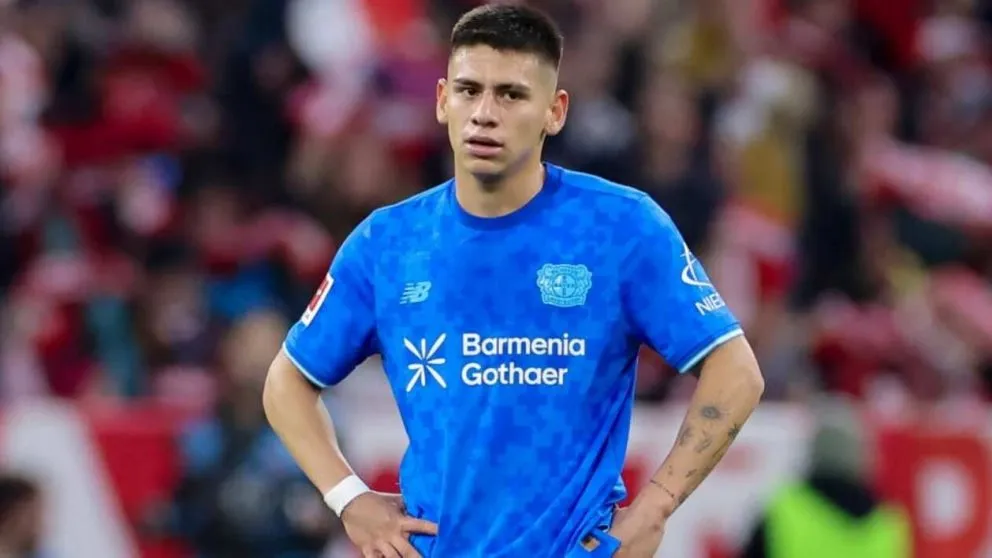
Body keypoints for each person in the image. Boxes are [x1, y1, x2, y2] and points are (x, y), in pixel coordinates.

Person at [263, 4, 765, 557]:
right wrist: (349, 499)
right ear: (441, 101)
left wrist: (657, 505)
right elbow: (287, 383)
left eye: (511, 95)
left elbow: (736, 372)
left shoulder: (622, 228)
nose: (484, 113)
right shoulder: (388, 244)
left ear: (555, 111)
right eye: (469, 90)